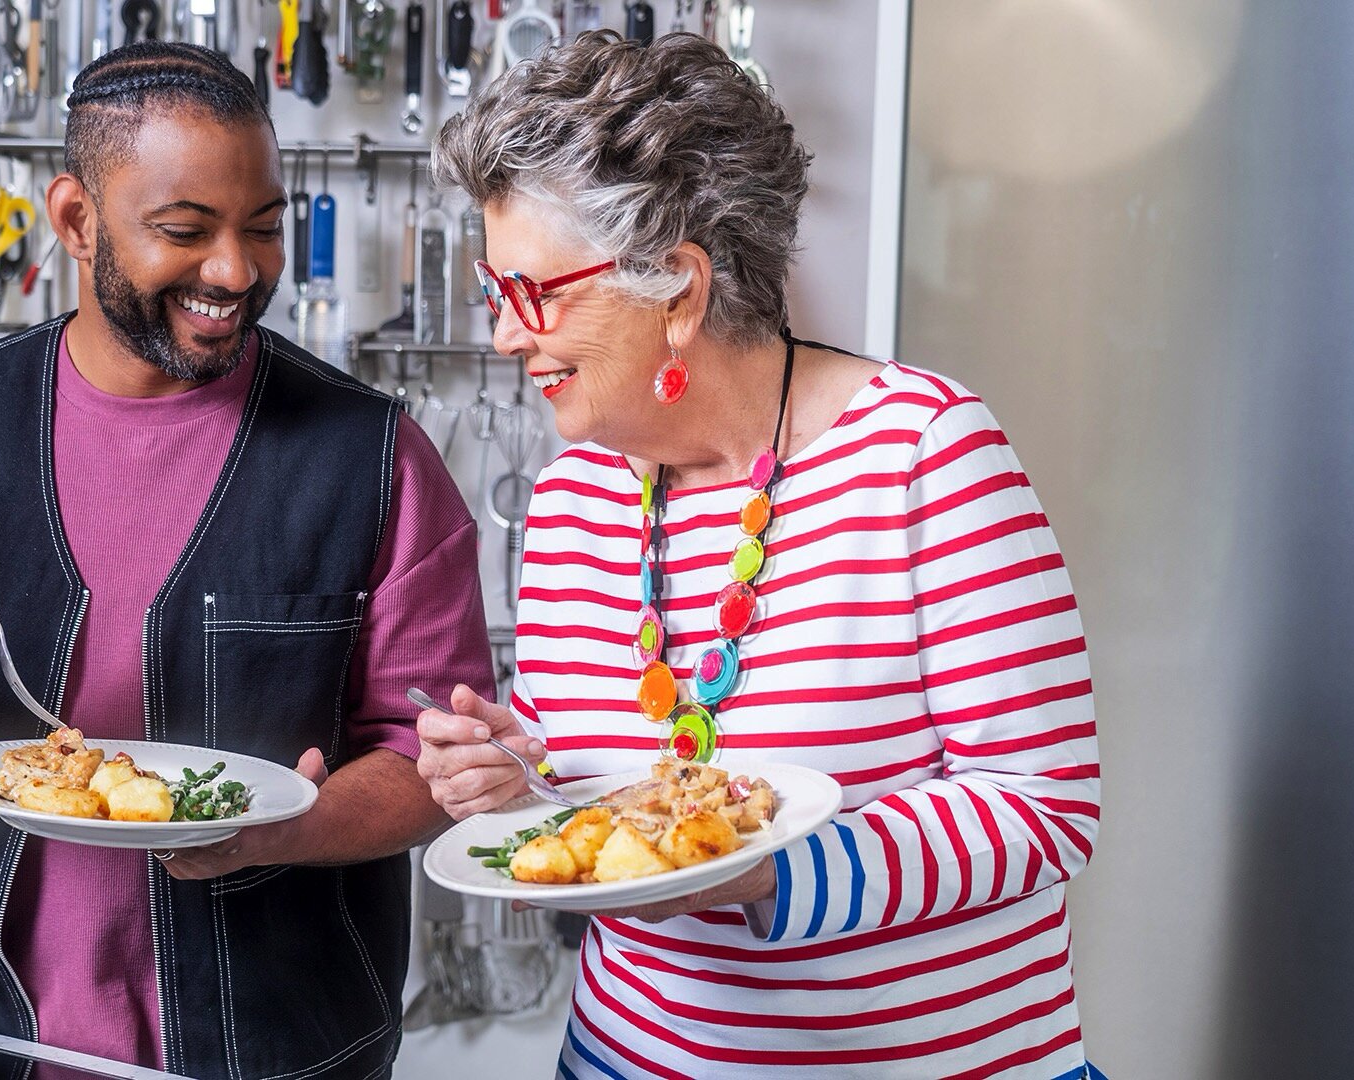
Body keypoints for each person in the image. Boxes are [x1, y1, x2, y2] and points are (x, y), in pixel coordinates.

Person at [0, 42, 491, 1079]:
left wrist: (288, 829)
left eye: (264, 227)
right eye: (186, 231)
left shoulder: (373, 459)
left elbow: (437, 765)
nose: (236, 271)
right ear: (74, 220)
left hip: (264, 1051)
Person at [417, 32, 1103, 1080]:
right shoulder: (571, 499)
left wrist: (758, 873)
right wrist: (516, 772)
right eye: (492, 289)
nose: (506, 337)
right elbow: (597, 785)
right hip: (626, 1057)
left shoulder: (924, 453)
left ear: (679, 288)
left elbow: (1043, 803)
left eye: (532, 293)